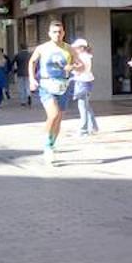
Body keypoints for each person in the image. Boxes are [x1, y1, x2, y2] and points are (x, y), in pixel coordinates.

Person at [28, 20, 76, 165]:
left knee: (59, 118)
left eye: (60, 32)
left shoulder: (69, 49)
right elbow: (32, 62)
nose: (57, 34)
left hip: (63, 85)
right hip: (46, 85)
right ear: (49, 33)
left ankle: (52, 143)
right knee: (53, 114)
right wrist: (32, 79)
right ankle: (47, 146)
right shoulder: (42, 48)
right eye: (54, 32)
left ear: (64, 33)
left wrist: (71, 67)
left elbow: (78, 64)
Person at [70, 38, 99, 136]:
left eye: (76, 48)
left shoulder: (82, 57)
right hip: (87, 82)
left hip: (82, 82)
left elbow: (79, 70)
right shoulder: (87, 56)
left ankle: (84, 130)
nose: (75, 49)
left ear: (82, 48)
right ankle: (93, 127)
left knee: (82, 107)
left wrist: (72, 68)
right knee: (86, 106)